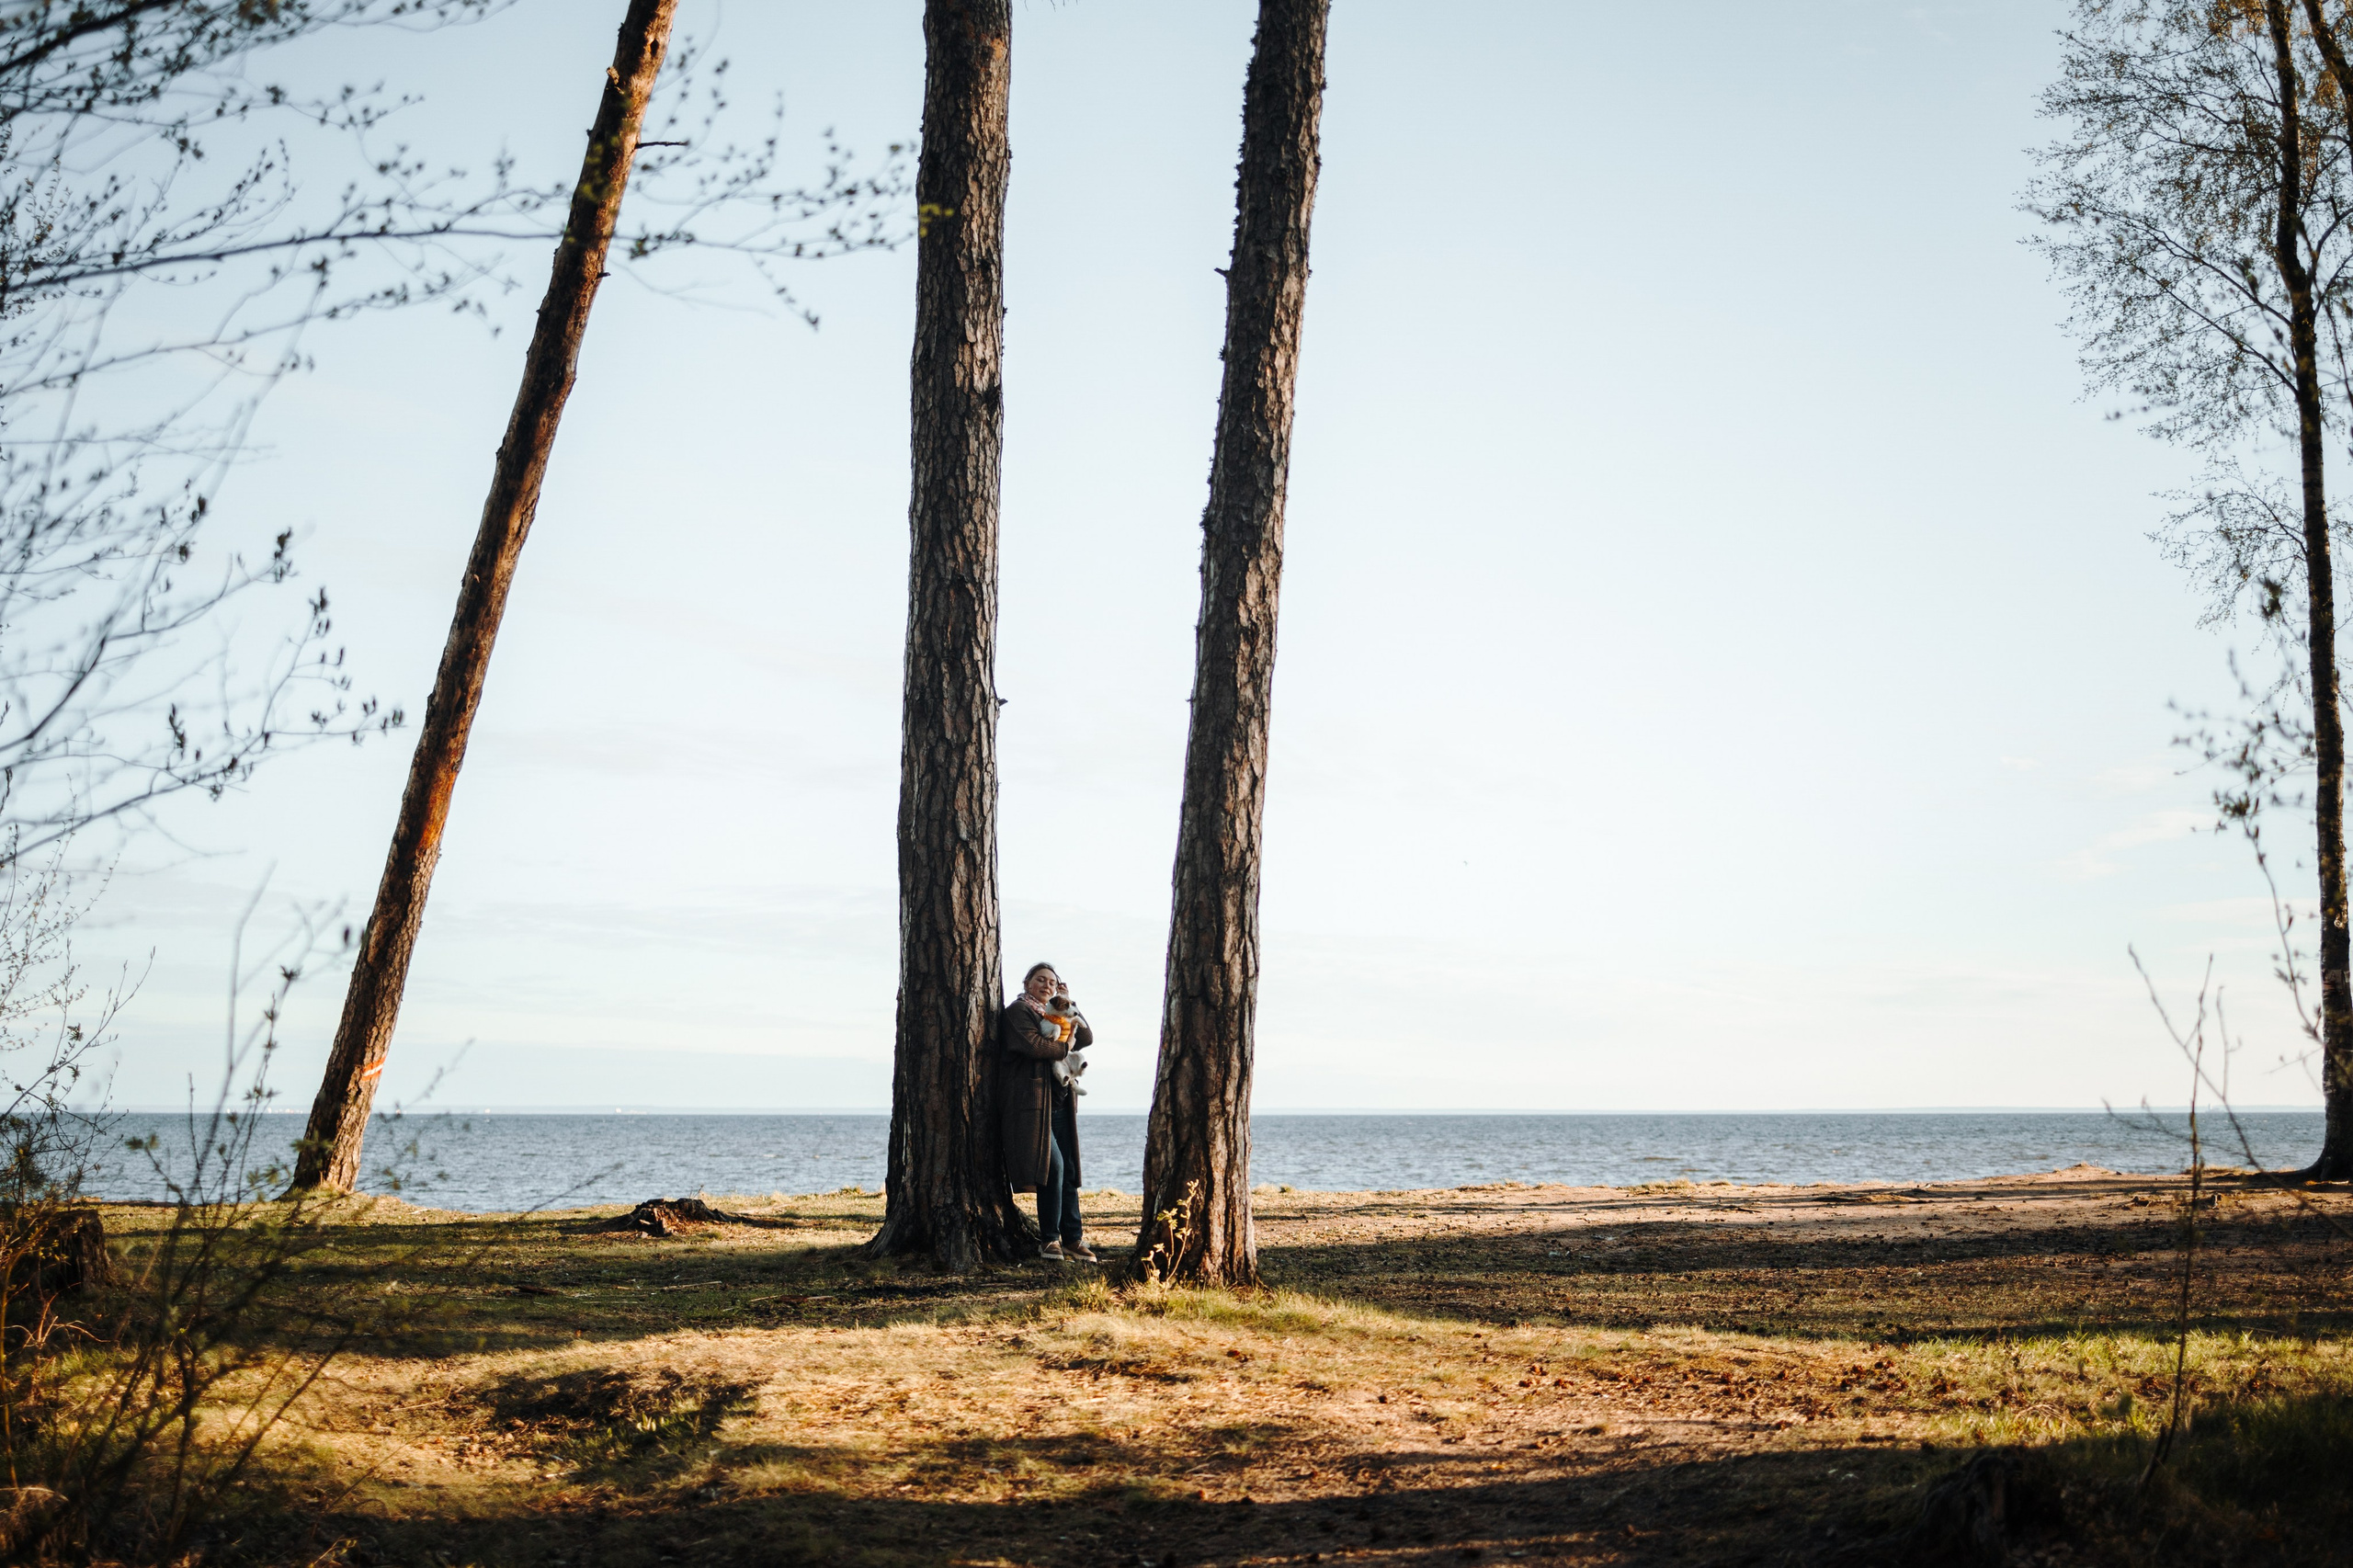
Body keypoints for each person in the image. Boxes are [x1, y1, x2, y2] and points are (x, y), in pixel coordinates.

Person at [1001, 960, 1095, 1262]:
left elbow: (1088, 1038)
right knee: (1052, 1168)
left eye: (1053, 983)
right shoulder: (1018, 1012)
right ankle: (1049, 1240)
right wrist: (1067, 1044)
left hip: (1059, 1104)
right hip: (1032, 1106)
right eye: (1041, 980)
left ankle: (1073, 1239)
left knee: (1067, 1169)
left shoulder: (1055, 1012)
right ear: (1027, 983)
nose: (1047, 986)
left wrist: (1071, 1003)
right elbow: (1035, 1047)